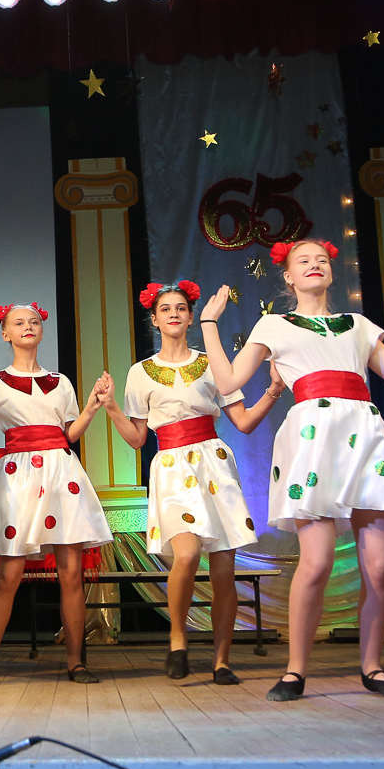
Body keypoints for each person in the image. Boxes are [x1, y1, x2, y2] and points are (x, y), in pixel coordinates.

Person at [200, 239, 384, 701]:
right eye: (304, 261)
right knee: (316, 563)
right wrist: (209, 325)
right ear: (289, 276)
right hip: (312, 438)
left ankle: (373, 667)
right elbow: (228, 381)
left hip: (364, 436)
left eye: (321, 260)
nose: (314, 265)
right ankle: (295, 671)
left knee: (379, 567)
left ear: (331, 272)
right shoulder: (274, 325)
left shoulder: (358, 324)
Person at [112, 280, 284, 684]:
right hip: (171, 467)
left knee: (224, 569)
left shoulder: (210, 363)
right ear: (154, 320)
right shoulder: (140, 372)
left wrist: (274, 391)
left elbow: (243, 422)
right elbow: (137, 438)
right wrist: (111, 409)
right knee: (186, 555)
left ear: (191, 317)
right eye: (165, 309)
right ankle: (178, 639)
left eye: (181, 308)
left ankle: (222, 660)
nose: (173, 313)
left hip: (213, 465)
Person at [0, 302, 114, 686]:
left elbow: (69, 434)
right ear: (5, 333)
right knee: (9, 575)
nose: (28, 326)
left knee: (71, 574)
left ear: (41, 329)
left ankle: (76, 663)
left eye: (34, 321)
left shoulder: (61, 382)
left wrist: (91, 407)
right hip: (19, 479)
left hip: (61, 474)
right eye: (18, 322)